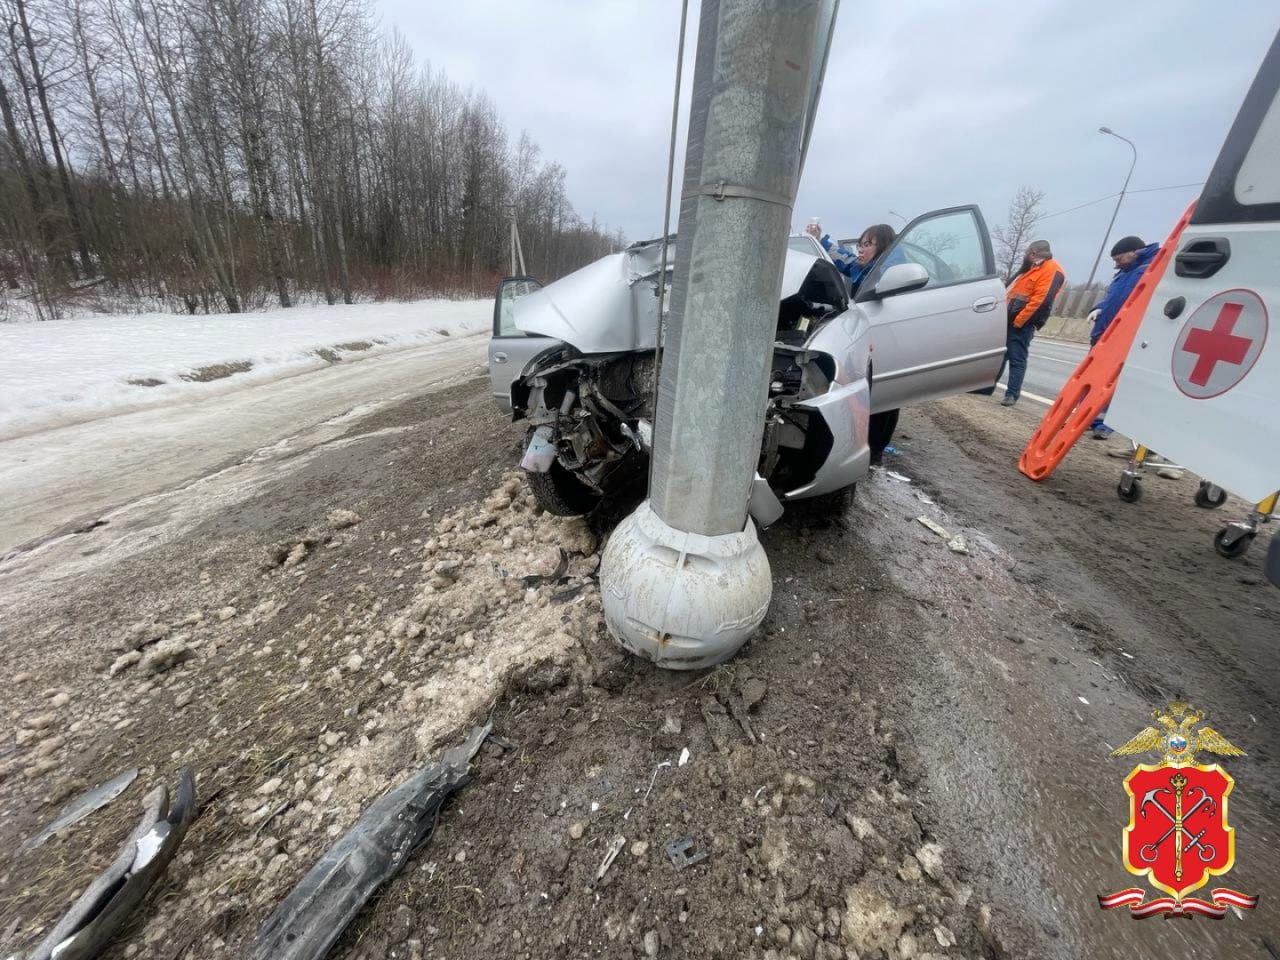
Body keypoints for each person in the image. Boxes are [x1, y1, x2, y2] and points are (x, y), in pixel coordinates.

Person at [805, 221, 902, 462]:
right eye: (860, 244)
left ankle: (874, 452)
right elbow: (845, 260)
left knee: (884, 395)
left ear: (885, 248)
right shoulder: (866, 270)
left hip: (887, 343)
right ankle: (867, 447)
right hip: (869, 340)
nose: (860, 249)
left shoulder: (889, 270)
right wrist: (822, 239)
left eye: (868, 244)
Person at [1086, 235, 1160, 438]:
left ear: (1133, 252)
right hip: (1105, 333)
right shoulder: (1124, 273)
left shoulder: (1151, 269)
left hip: (1127, 337)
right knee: (1092, 379)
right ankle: (1087, 418)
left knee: (1114, 383)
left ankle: (1105, 424)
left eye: (1118, 259)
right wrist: (1099, 308)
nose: (1116, 263)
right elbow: (1113, 299)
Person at [995, 239, 1065, 406]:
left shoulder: (1052, 270)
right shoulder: (1032, 270)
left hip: (1023, 323)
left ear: (1032, 253)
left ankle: (1012, 394)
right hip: (1010, 320)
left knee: (1017, 358)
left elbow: (1041, 301)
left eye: (1026, 253)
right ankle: (988, 386)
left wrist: (1020, 321)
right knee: (1000, 355)